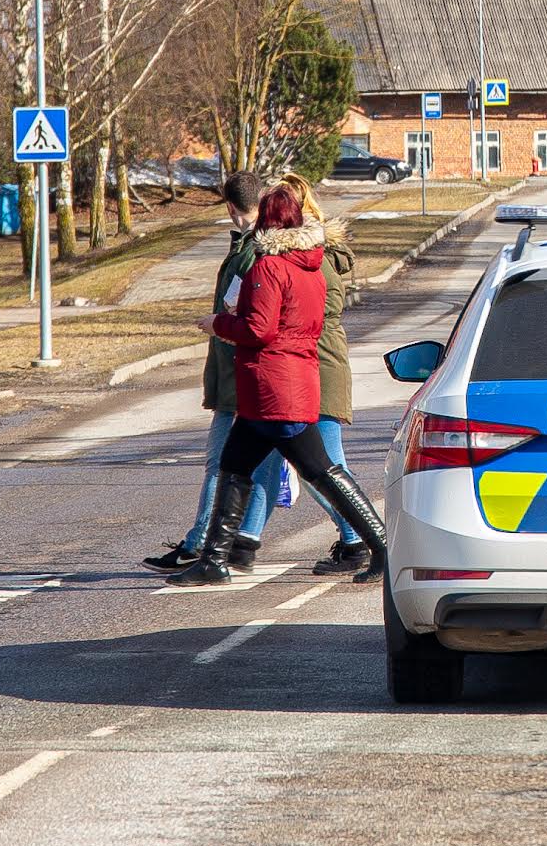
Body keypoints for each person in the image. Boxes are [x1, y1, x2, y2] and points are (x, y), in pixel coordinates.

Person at [167, 183, 390, 586]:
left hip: (273, 390)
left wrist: (219, 323)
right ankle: (215, 560)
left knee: (322, 472)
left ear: (268, 220)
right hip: (289, 384)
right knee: (236, 466)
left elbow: (259, 328)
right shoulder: (312, 266)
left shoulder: (269, 267)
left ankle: (381, 547)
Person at [142, 171, 278, 573]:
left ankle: (199, 544)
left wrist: (217, 323)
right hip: (250, 376)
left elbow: (247, 316)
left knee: (222, 464)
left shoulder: (255, 251)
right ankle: (241, 543)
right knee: (280, 465)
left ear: (231, 207)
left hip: (239, 377)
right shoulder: (255, 245)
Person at [284, 172, 369, 576]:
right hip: (315, 362)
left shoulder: (312, 260)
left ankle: (361, 539)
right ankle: (227, 545)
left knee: (326, 462)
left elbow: (315, 313)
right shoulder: (317, 254)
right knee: (294, 461)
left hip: (317, 366)